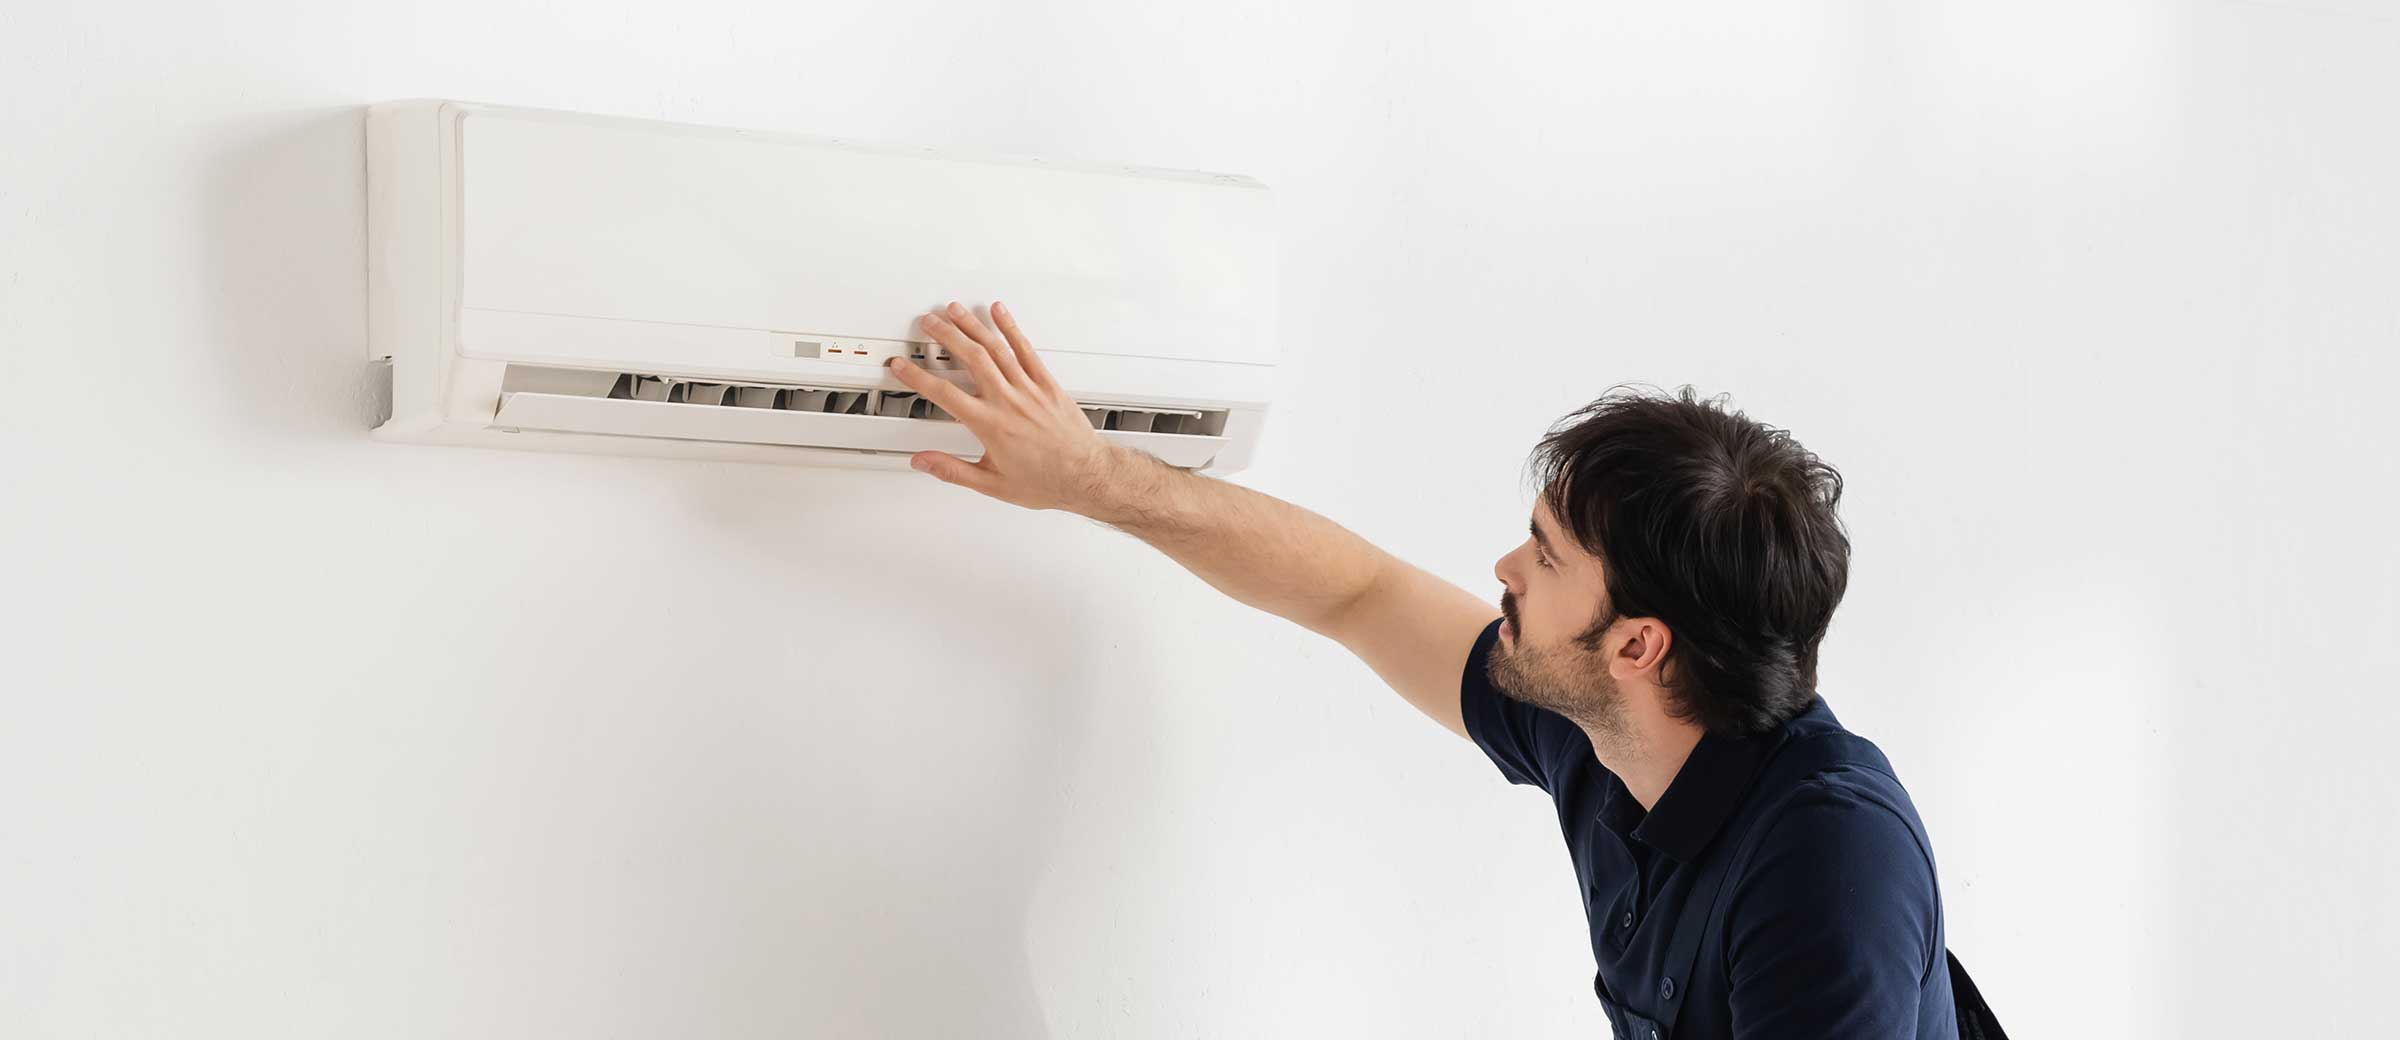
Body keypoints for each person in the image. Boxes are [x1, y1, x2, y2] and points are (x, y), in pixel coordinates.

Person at [886, 301, 1957, 1039]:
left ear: (1639, 645)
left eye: (1545, 556)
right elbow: (1355, 589)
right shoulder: (1611, 725)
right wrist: (1090, 477)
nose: (1504, 570)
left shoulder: (1829, 862)